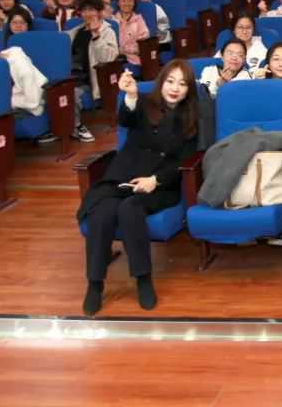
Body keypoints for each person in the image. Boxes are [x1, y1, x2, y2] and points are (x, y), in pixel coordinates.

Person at [76, 61, 198, 315]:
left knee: (130, 209)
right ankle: (95, 283)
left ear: (189, 89)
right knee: (102, 210)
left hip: (161, 185)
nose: (175, 88)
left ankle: (143, 279)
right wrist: (130, 95)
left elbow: (184, 160)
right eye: (170, 81)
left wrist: (155, 180)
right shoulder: (143, 103)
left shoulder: (191, 117)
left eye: (182, 84)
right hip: (125, 176)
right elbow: (126, 118)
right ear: (161, 82)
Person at [66, 0, 118, 143]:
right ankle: (59, 128)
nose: (88, 13)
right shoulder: (75, 32)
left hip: (89, 79)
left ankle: (76, 127)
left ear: (99, 12)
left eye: (91, 10)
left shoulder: (107, 32)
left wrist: (96, 35)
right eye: (84, 10)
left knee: (71, 93)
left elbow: (108, 58)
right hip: (70, 75)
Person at [112, 0, 149, 68]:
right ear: (118, 3)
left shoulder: (139, 20)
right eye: (123, 1)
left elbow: (143, 43)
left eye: (130, 1)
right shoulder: (113, 21)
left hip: (134, 60)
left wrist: (125, 50)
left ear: (134, 3)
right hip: (115, 58)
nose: (127, 3)